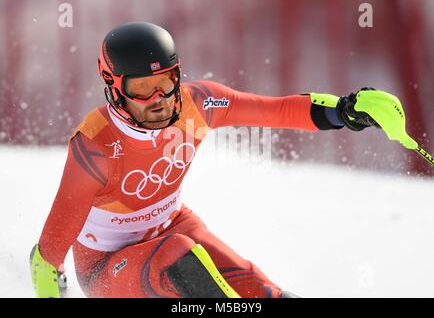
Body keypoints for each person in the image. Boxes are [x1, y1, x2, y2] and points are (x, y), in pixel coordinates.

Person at [30, 21, 397, 298]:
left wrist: (346, 110)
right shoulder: (94, 146)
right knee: (180, 255)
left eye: (167, 82)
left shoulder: (198, 104)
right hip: (108, 270)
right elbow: (46, 256)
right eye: (142, 88)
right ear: (113, 87)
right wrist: (49, 281)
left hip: (175, 230)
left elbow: (280, 111)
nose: (159, 98)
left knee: (259, 287)